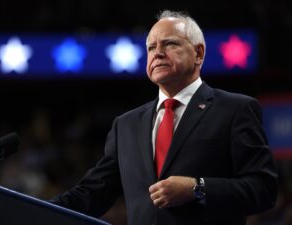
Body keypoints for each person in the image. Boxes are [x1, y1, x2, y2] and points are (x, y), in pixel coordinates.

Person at [50, 9, 278, 225]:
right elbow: (91, 194)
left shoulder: (234, 109)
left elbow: (263, 189)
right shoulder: (126, 125)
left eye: (170, 43)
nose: (157, 52)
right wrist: (28, 210)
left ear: (198, 53)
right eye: (151, 47)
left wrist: (196, 188)